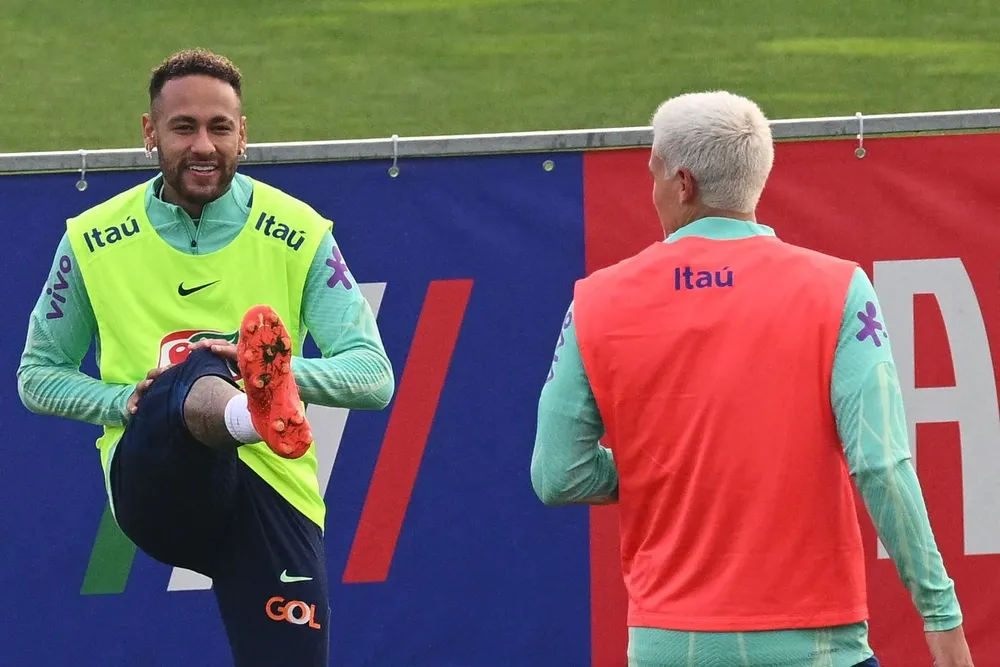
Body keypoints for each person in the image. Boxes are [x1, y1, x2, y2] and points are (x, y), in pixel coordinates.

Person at [530, 91, 975, 667]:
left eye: (655, 175)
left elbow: (557, 475)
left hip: (671, 645)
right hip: (820, 648)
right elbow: (881, 464)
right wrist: (942, 617)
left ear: (683, 183)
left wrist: (660, 464)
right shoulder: (839, 290)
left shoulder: (595, 302)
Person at [16, 48, 394, 667]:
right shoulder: (92, 237)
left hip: (272, 490)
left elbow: (373, 376)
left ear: (243, 134)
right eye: (183, 127)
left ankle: (254, 400)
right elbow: (37, 375)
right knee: (197, 366)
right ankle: (244, 405)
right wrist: (120, 400)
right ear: (149, 133)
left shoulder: (299, 232)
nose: (203, 145)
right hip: (155, 476)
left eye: (220, 128)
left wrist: (280, 377)